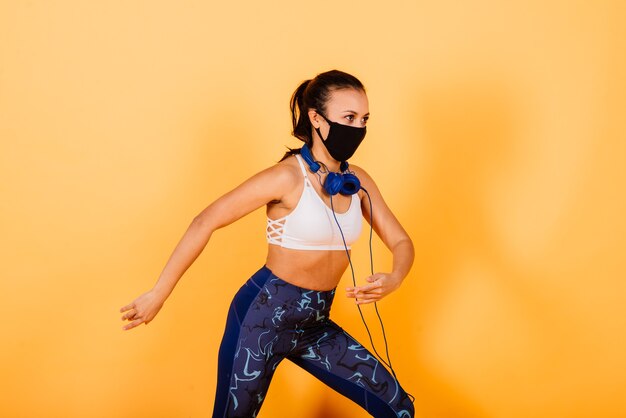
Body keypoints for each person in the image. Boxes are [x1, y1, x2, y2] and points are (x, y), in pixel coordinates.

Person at [120, 70, 416, 418]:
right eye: (348, 117)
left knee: (398, 407)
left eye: (364, 119)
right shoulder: (285, 177)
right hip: (260, 320)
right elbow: (205, 221)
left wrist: (395, 276)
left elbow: (400, 240)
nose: (358, 127)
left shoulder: (357, 181)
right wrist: (159, 293)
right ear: (316, 118)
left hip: (316, 324)